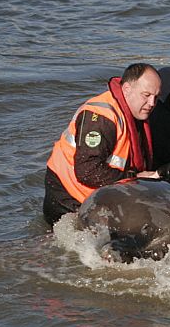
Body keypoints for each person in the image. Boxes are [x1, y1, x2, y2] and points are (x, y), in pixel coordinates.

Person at [43, 63, 161, 225]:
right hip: (68, 194)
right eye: (146, 95)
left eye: (156, 96)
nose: (152, 103)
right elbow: (87, 171)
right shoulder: (100, 117)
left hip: (102, 191)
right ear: (126, 89)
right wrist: (134, 178)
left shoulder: (137, 112)